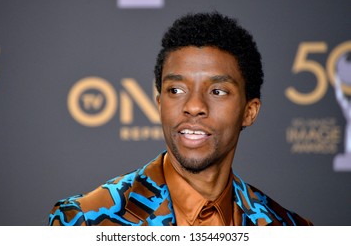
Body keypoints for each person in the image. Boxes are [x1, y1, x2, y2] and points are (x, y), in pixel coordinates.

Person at [49, 12, 312, 226]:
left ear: (249, 111)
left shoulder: (290, 229)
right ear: (160, 103)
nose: (194, 106)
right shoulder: (83, 221)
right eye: (176, 90)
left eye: (217, 91)